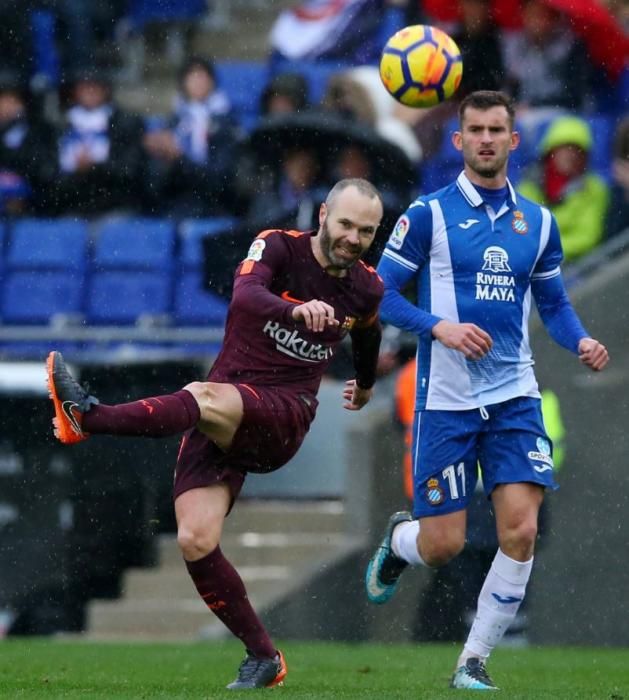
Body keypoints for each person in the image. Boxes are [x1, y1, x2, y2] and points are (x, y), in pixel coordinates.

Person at [46, 178, 385, 690]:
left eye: (366, 230)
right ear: (322, 216)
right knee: (195, 538)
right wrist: (292, 309)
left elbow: (369, 328)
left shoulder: (365, 286)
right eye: (345, 224)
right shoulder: (276, 246)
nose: (353, 238)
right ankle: (263, 656)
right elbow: (247, 295)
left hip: (284, 415)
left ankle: (88, 418)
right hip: (227, 410)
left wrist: (365, 382)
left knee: (201, 396)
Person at [364, 90, 609, 691]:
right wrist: (437, 326)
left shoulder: (539, 222)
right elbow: (378, 292)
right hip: (445, 401)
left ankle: (472, 662)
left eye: (497, 129)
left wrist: (578, 340)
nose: (486, 139)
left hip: (514, 398)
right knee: (444, 545)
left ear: (513, 139)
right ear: (459, 140)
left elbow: (552, 302)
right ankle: (401, 541)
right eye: (475, 129)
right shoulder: (427, 214)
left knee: (520, 529)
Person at [518, 115, 610, 263]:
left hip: (580, 269)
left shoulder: (594, 188)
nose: (571, 155)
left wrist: (546, 253)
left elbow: (587, 236)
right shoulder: (528, 187)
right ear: (550, 151)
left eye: (577, 151)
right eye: (564, 149)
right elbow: (521, 235)